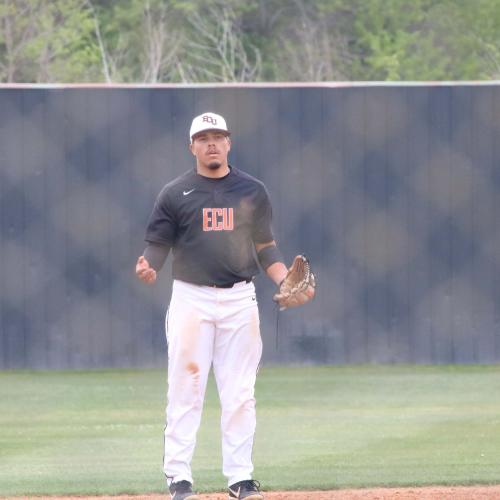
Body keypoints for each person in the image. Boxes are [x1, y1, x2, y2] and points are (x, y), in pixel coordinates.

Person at [135, 112, 313, 500]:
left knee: (240, 392)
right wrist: (149, 265)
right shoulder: (175, 192)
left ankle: (240, 479)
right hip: (191, 299)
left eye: (218, 136)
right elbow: (158, 245)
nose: (211, 143)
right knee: (186, 389)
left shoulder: (252, 191)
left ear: (229, 142)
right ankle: (179, 479)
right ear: (192, 146)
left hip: (239, 298)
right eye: (203, 137)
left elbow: (266, 248)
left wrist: (284, 280)